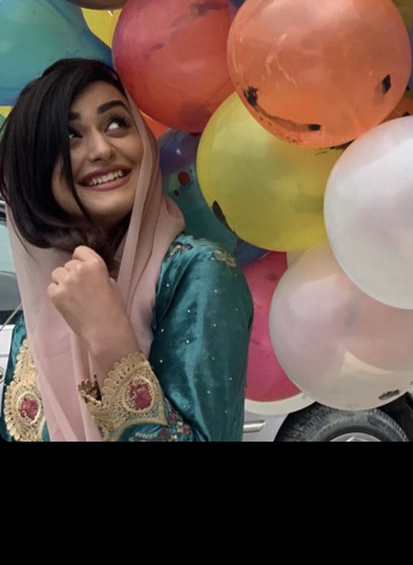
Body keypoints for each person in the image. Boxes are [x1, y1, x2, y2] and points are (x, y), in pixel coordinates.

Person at [0, 57, 253, 442]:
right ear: (35, 169)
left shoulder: (196, 271)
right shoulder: (38, 315)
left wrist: (110, 340)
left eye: (116, 123)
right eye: (70, 135)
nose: (102, 149)